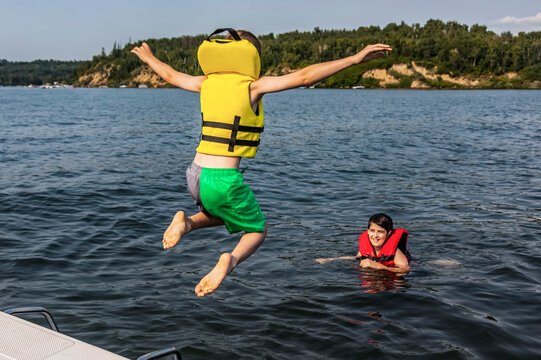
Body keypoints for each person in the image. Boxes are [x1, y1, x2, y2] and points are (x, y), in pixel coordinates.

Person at [131, 28, 392, 296]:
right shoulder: (253, 86)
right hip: (223, 180)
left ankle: (186, 223)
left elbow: (171, 74)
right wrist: (354, 59)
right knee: (258, 230)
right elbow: (304, 76)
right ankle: (229, 261)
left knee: (224, 215)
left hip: (194, 175)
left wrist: (149, 58)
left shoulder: (205, 82)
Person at [316, 213, 411, 273]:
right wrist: (330, 259)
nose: (375, 235)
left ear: (389, 233)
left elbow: (405, 269)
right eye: (372, 231)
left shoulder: (396, 252)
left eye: (380, 232)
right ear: (368, 231)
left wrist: (379, 266)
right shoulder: (367, 247)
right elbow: (355, 258)